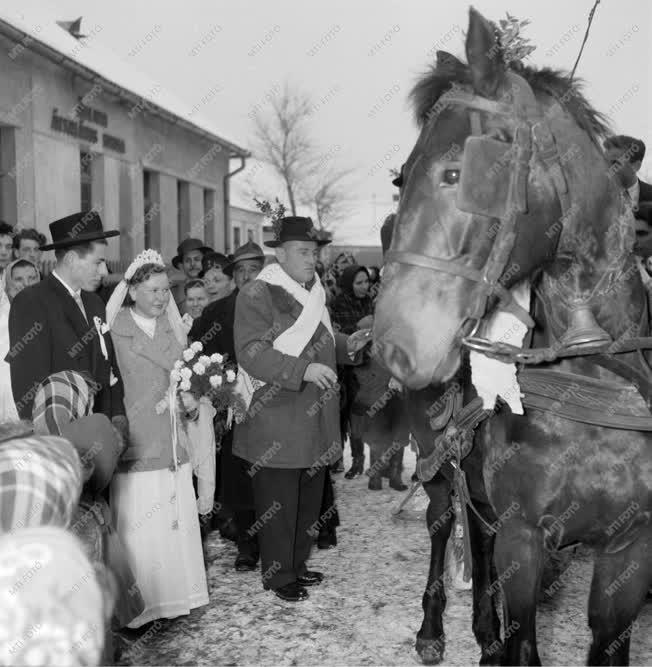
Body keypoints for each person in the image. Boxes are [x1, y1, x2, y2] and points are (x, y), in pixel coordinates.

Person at [233, 216, 366, 602]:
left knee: (307, 499)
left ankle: (295, 565)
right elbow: (252, 353)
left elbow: (319, 339)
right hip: (277, 415)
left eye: (314, 252)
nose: (312, 259)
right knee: (278, 503)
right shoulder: (258, 293)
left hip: (313, 414)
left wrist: (347, 346)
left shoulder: (312, 290)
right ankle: (277, 576)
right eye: (304, 252)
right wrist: (303, 369)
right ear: (280, 253)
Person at [107, 250, 209, 628]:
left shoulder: (171, 328)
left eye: (166, 290)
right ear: (132, 291)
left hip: (170, 437)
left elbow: (183, 376)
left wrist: (189, 397)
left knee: (172, 518)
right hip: (136, 437)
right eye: (152, 291)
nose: (161, 298)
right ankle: (141, 608)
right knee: (140, 524)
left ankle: (177, 596)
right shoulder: (116, 328)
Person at [7, 211, 127, 442]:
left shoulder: (94, 302)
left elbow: (108, 367)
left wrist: (115, 426)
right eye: (98, 262)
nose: (104, 272)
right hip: (62, 443)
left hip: (99, 440)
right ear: (71, 259)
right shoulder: (32, 302)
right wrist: (55, 446)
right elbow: (28, 386)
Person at [191, 241, 265, 570]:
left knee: (273, 477)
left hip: (275, 408)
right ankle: (247, 544)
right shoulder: (215, 313)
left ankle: (278, 544)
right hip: (234, 410)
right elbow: (196, 357)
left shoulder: (280, 309)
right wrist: (224, 389)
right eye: (241, 270)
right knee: (239, 477)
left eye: (254, 269)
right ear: (233, 276)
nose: (248, 276)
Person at [329, 265, 375, 479]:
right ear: (349, 284)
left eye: (366, 281)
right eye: (359, 282)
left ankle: (379, 462)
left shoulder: (371, 303)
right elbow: (335, 337)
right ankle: (355, 460)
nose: (364, 286)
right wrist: (359, 325)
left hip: (372, 366)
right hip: (348, 371)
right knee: (351, 417)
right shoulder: (338, 304)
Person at [0, 259, 40, 421]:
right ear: (7, 286)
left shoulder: (51, 315)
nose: (26, 284)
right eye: (18, 279)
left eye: (32, 278)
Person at [170, 238, 213, 310]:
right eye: (187, 260)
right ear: (182, 265)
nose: (192, 264)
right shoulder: (173, 293)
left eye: (197, 259)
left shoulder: (215, 289)